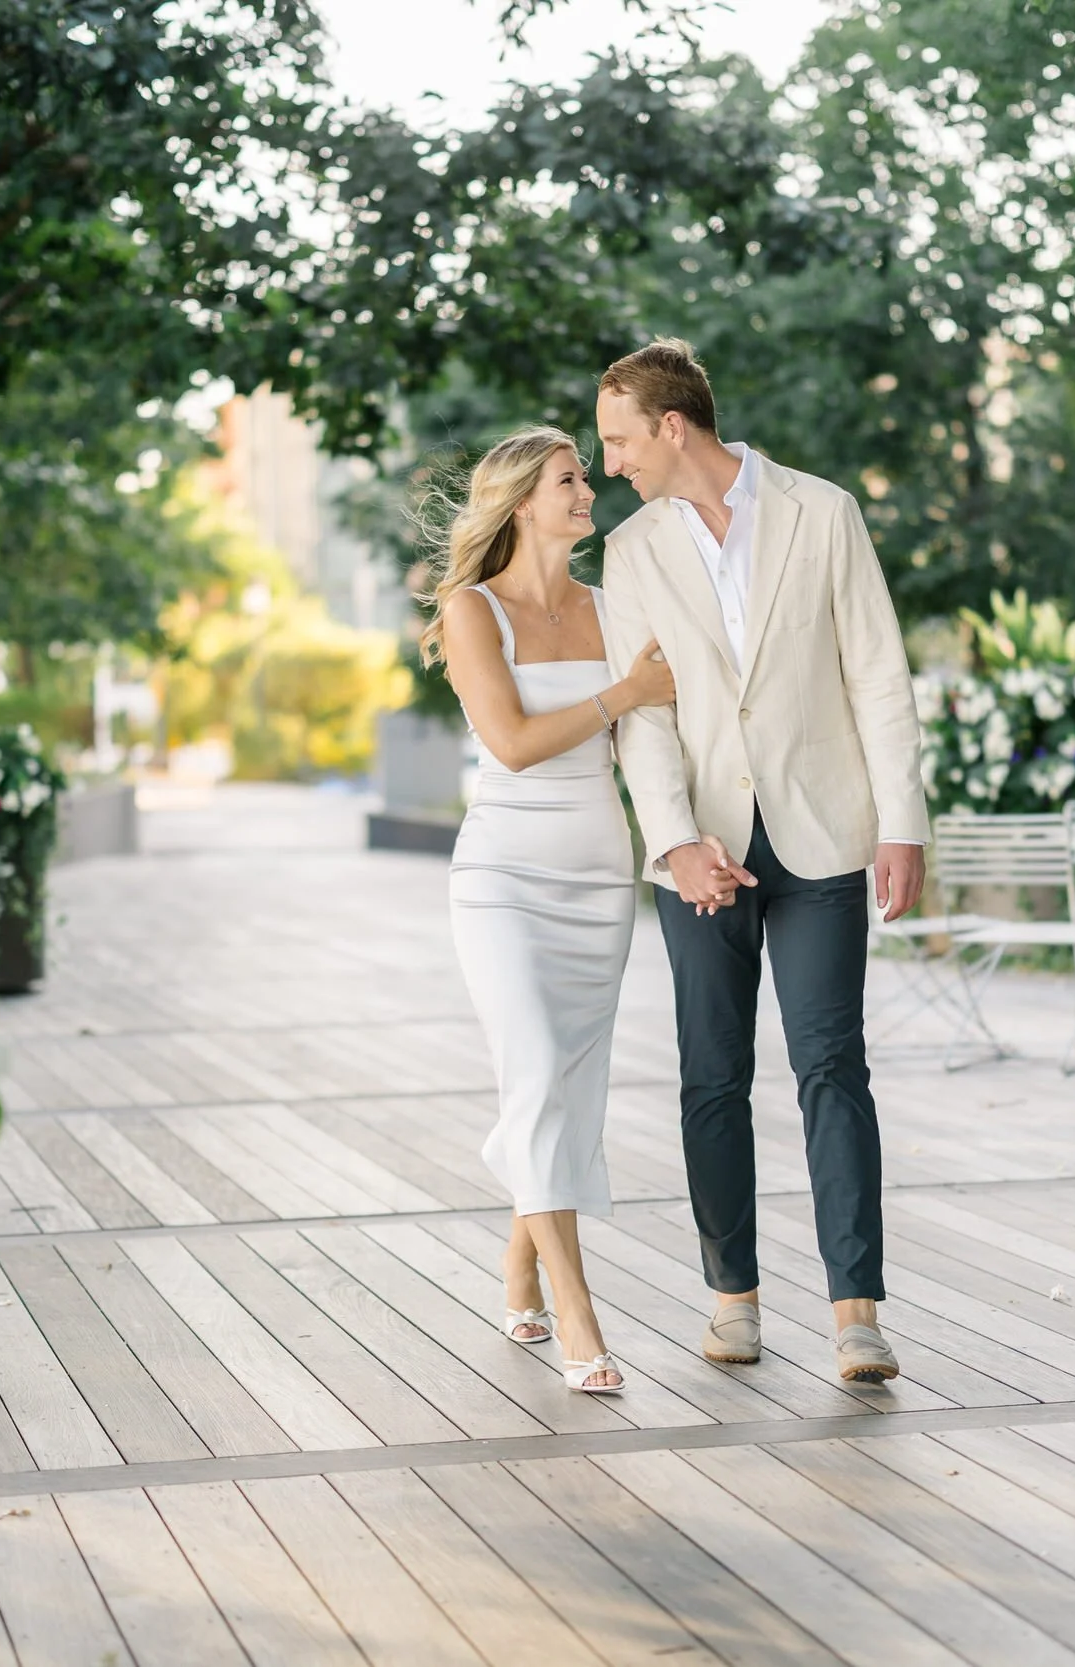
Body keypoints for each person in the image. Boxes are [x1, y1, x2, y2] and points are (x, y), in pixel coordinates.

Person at [594, 338, 928, 1384]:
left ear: (672, 427)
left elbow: (877, 670)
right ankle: (730, 1296)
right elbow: (643, 714)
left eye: (618, 440)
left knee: (833, 1066)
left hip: (822, 829)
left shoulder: (821, 511)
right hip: (703, 849)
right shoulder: (633, 551)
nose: (611, 465)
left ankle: (856, 1312)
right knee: (711, 1076)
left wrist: (901, 819)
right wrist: (673, 839)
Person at [425, 425, 676, 1395]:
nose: (588, 489)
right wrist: (623, 693)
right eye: (571, 478)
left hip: (595, 873)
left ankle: (521, 1255)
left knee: (566, 1085)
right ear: (522, 499)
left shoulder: (615, 608)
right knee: (533, 1066)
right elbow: (515, 741)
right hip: (502, 875)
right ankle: (579, 1311)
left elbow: (660, 733)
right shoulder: (469, 608)